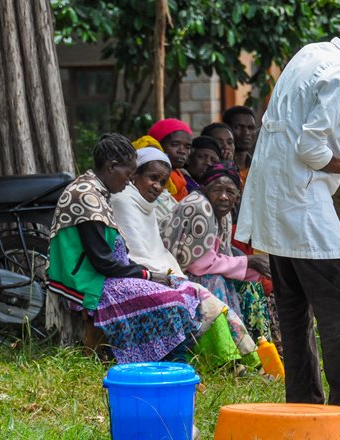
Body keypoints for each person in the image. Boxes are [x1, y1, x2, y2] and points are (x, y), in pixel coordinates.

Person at [235, 7, 340, 423]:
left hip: (277, 198)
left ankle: (303, 404)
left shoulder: (310, 54)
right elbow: (310, 150)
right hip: (301, 204)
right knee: (338, 309)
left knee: (292, 309)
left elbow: (303, 134)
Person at [47, 133, 202, 364]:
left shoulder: (96, 189)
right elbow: (103, 262)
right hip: (91, 283)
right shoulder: (86, 195)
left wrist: (145, 273)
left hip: (104, 275)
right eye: (128, 175)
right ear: (112, 167)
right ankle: (167, 366)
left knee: (185, 289)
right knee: (172, 301)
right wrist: (147, 274)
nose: (129, 181)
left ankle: (166, 363)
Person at [110, 147, 259, 369]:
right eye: (152, 178)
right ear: (134, 175)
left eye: (162, 181)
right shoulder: (125, 200)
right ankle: (221, 360)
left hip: (158, 271)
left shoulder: (145, 205)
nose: (157, 186)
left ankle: (237, 357)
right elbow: (138, 253)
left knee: (212, 291)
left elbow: (157, 251)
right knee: (204, 290)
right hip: (135, 274)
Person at [161, 162, 274, 344]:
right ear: (204, 189)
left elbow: (223, 255)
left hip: (194, 271)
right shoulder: (200, 207)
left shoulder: (223, 214)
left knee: (249, 286)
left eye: (230, 192)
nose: (223, 196)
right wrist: (247, 262)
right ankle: (224, 347)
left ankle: (259, 345)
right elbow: (197, 264)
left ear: (237, 196)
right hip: (173, 275)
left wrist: (249, 267)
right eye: (217, 190)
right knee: (215, 281)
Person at [148, 118, 193, 202]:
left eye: (187, 147)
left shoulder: (182, 177)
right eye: (175, 144)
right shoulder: (149, 179)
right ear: (158, 144)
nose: (182, 151)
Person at [222, 106, 257, 182]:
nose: (246, 132)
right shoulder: (218, 166)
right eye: (238, 127)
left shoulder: (259, 167)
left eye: (251, 128)